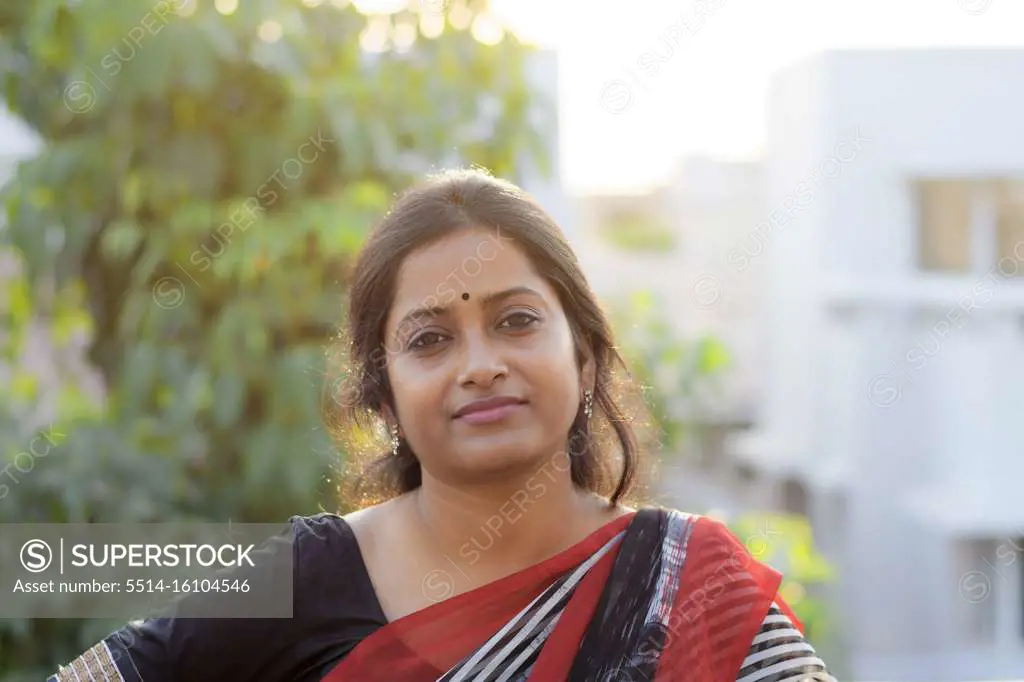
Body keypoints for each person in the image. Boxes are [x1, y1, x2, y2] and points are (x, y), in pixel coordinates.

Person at [50, 169, 834, 681]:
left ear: (586, 359)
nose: (480, 364)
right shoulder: (307, 574)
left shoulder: (689, 585)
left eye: (518, 321)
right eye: (429, 340)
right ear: (385, 398)